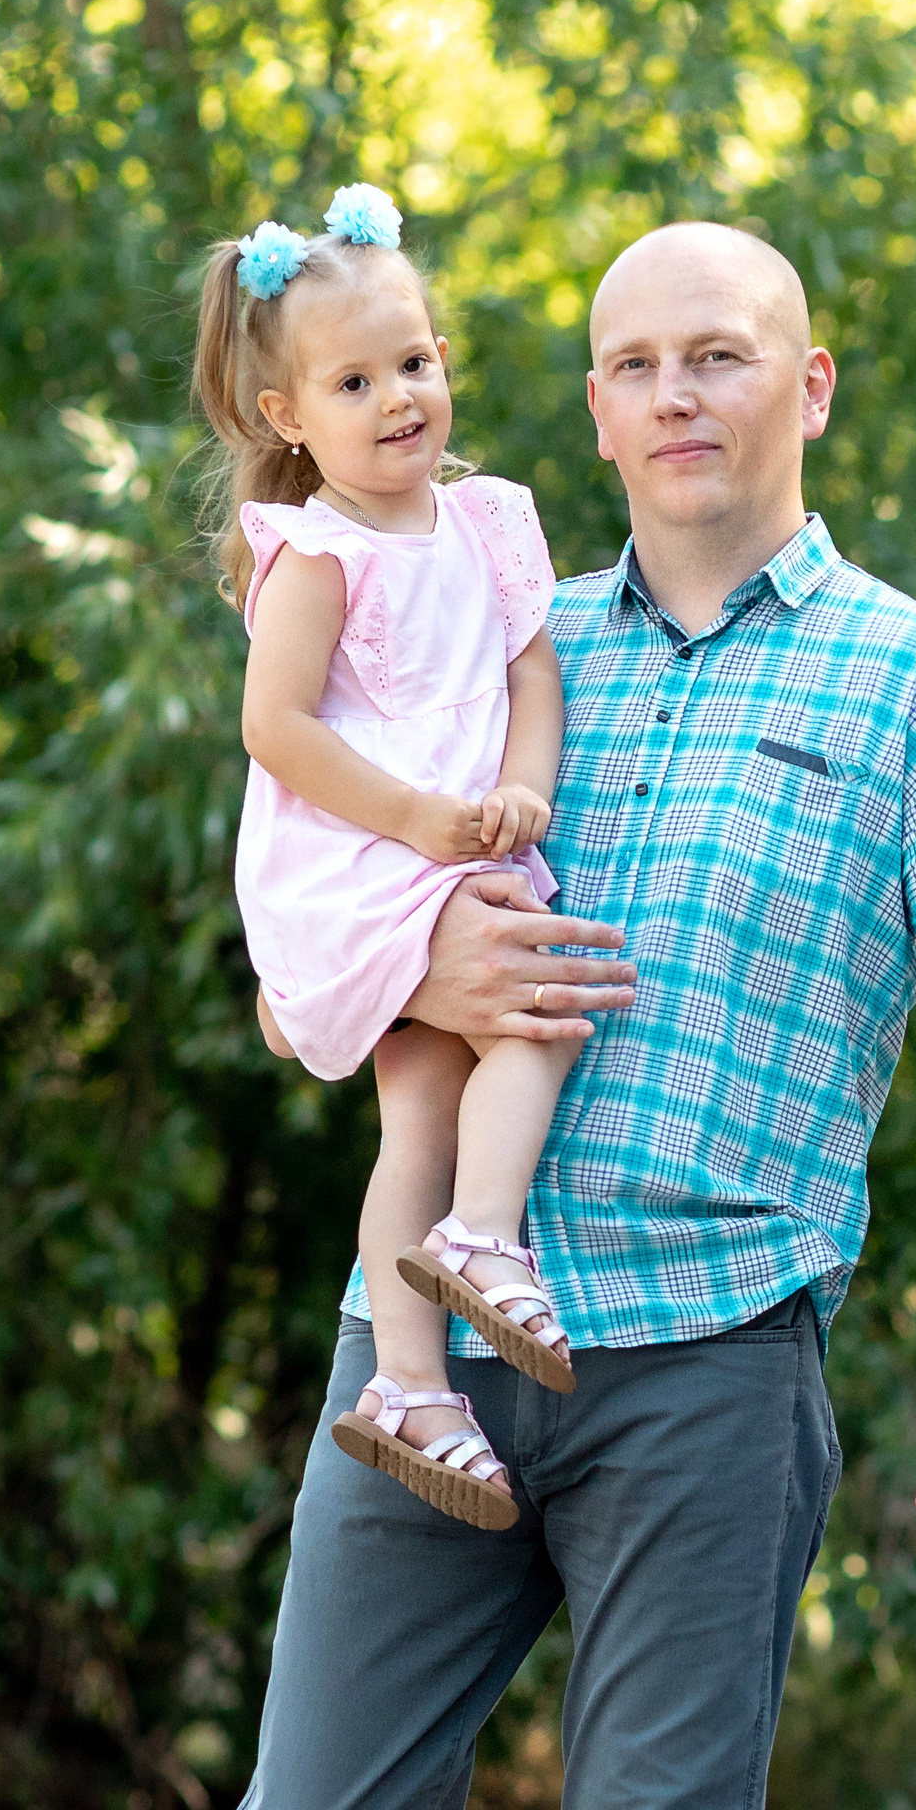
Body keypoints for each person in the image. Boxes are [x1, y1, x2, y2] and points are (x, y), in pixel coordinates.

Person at [236, 221, 916, 1808]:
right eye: (635, 367)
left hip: (707, 1362)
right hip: (418, 1355)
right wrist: (427, 976)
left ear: (812, 387)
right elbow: (307, 976)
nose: (675, 396)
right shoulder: (494, 635)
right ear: (592, 410)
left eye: (718, 355)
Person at [197, 183, 584, 1530]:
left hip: (459, 836)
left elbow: (532, 679)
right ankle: (484, 1236)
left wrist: (524, 788)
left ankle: (409, 1387)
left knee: (421, 1102)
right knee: (536, 1008)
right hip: (363, 850)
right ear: (288, 417)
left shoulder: (487, 525)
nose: (400, 397)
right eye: (356, 381)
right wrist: (422, 821)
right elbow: (275, 727)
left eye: (414, 362)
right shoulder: (317, 552)